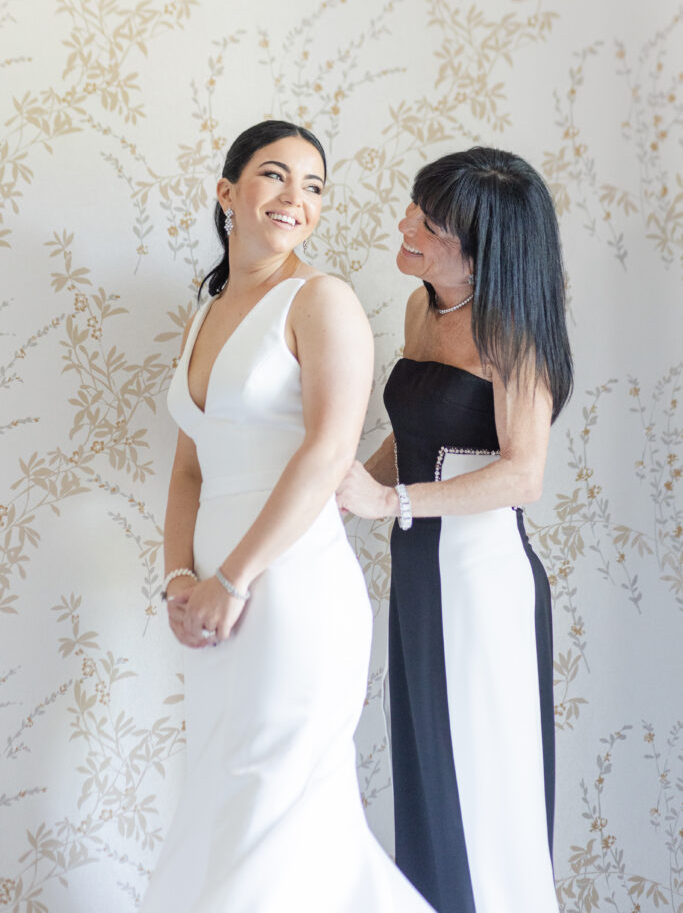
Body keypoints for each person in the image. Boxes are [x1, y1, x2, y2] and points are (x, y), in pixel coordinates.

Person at [141, 120, 434, 912]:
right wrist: (179, 576)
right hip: (209, 597)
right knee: (220, 801)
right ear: (227, 191)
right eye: (274, 176)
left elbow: (327, 452)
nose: (293, 200)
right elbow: (189, 466)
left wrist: (234, 576)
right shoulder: (206, 313)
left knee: (272, 806)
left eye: (312, 187)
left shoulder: (321, 300)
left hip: (289, 585)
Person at [336, 147, 573, 913]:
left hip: (480, 582)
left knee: (482, 788)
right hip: (419, 574)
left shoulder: (512, 334)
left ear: (481, 254)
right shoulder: (421, 309)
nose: (404, 224)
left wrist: (388, 503)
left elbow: (521, 476)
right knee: (430, 778)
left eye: (429, 223)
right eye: (413, 206)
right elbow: (414, 433)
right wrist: (347, 488)